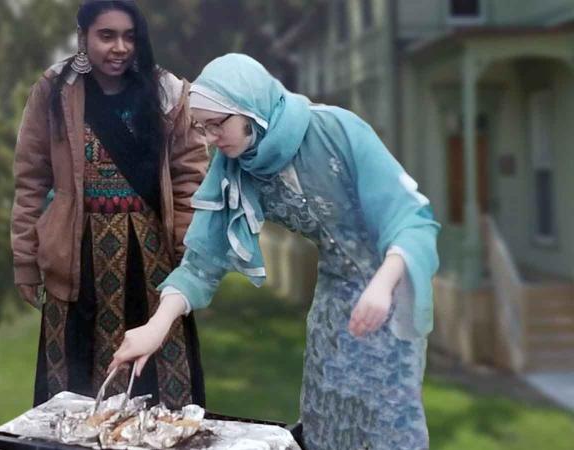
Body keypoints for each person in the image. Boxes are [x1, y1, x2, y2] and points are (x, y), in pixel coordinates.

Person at [111, 53, 440, 450]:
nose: (212, 138)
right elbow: (201, 263)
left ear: (252, 108)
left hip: (388, 290)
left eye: (219, 124)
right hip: (335, 301)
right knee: (326, 420)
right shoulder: (237, 166)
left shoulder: (336, 130)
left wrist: (383, 285)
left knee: (386, 425)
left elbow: (411, 218)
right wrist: (155, 327)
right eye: (204, 127)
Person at [10, 0, 208, 409]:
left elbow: (190, 176)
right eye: (106, 35)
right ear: (83, 37)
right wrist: (26, 261)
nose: (119, 47)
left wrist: (191, 257)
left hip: (152, 258)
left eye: (129, 37)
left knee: (159, 379)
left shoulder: (165, 92)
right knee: (73, 390)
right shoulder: (53, 91)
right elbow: (31, 179)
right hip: (75, 254)